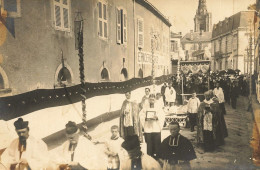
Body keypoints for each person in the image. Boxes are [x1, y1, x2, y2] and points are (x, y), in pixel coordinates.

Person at [139, 94, 165, 159]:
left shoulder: (158, 107)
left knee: (157, 143)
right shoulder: (145, 107)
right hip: (148, 128)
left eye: (153, 99)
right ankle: (150, 157)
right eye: (150, 99)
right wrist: (145, 118)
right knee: (149, 144)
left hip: (156, 127)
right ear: (148, 100)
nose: (151, 100)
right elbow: (141, 114)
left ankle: (157, 157)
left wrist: (157, 117)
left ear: (155, 100)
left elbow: (162, 115)